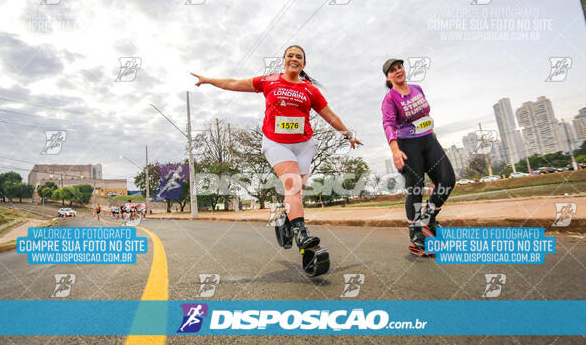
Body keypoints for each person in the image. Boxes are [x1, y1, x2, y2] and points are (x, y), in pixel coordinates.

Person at [192, 45, 362, 249]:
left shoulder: (309, 89)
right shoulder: (269, 81)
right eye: (290, 55)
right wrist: (210, 80)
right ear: (283, 60)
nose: (294, 58)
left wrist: (348, 134)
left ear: (304, 64)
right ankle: (301, 234)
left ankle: (285, 218)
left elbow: (330, 116)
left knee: (299, 188)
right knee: (293, 185)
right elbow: (234, 83)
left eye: (299, 57)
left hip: (304, 144)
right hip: (276, 143)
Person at [381, 58, 456, 256]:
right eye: (392, 70)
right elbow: (388, 124)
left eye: (399, 67)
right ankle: (416, 236)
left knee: (447, 180)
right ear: (388, 78)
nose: (398, 71)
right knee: (415, 188)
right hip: (408, 145)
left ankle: (429, 220)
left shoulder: (417, 89)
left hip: (429, 140)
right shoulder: (390, 99)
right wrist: (395, 150)